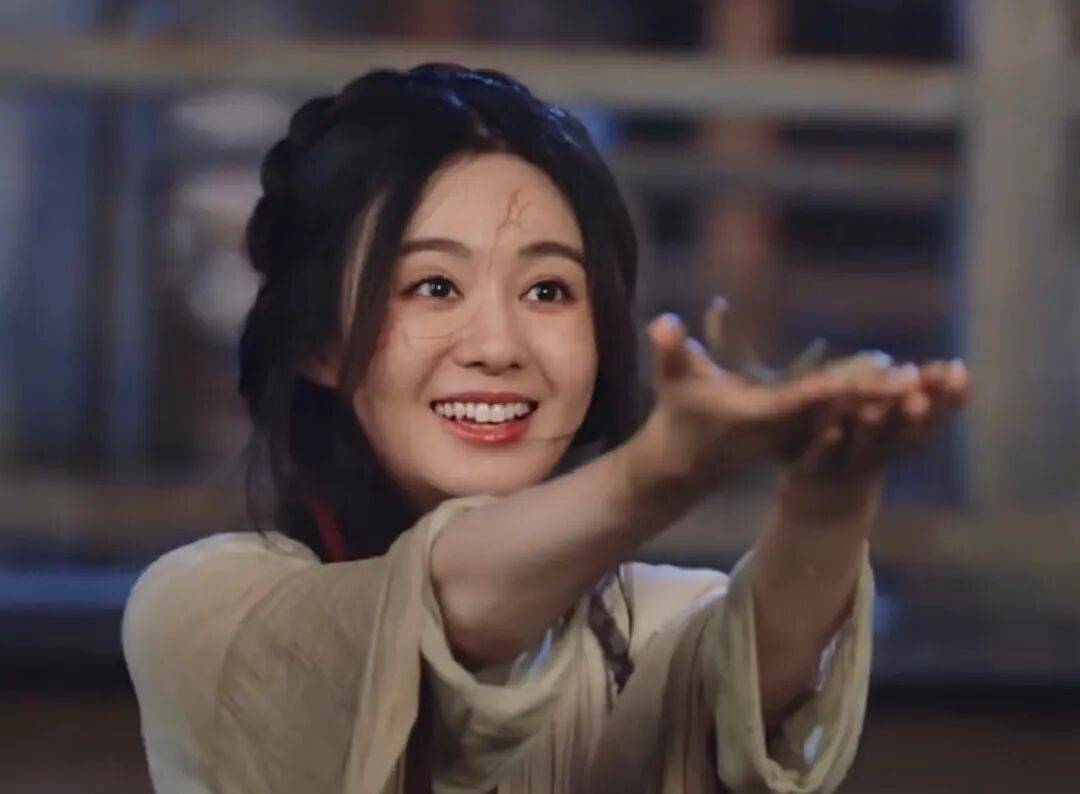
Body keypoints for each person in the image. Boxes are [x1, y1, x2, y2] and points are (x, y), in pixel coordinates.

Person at [121, 64, 970, 794]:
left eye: (548, 291)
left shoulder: (648, 623)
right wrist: (658, 470)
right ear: (320, 343)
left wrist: (830, 496)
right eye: (433, 287)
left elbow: (753, 681)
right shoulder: (203, 609)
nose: (498, 347)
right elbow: (428, 615)